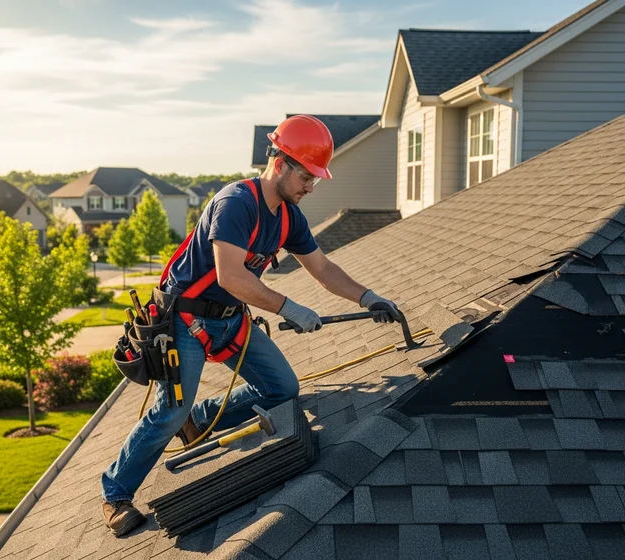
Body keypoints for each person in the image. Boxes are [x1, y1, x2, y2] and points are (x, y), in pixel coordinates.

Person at [101, 115, 400, 536]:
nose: (311, 186)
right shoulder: (236, 203)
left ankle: (198, 422)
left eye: (315, 179)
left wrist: (368, 297)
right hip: (186, 317)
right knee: (170, 409)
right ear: (280, 163)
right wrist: (289, 308)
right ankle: (115, 493)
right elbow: (231, 277)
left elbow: (323, 268)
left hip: (229, 319)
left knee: (282, 389)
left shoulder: (289, 217)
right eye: (306, 176)